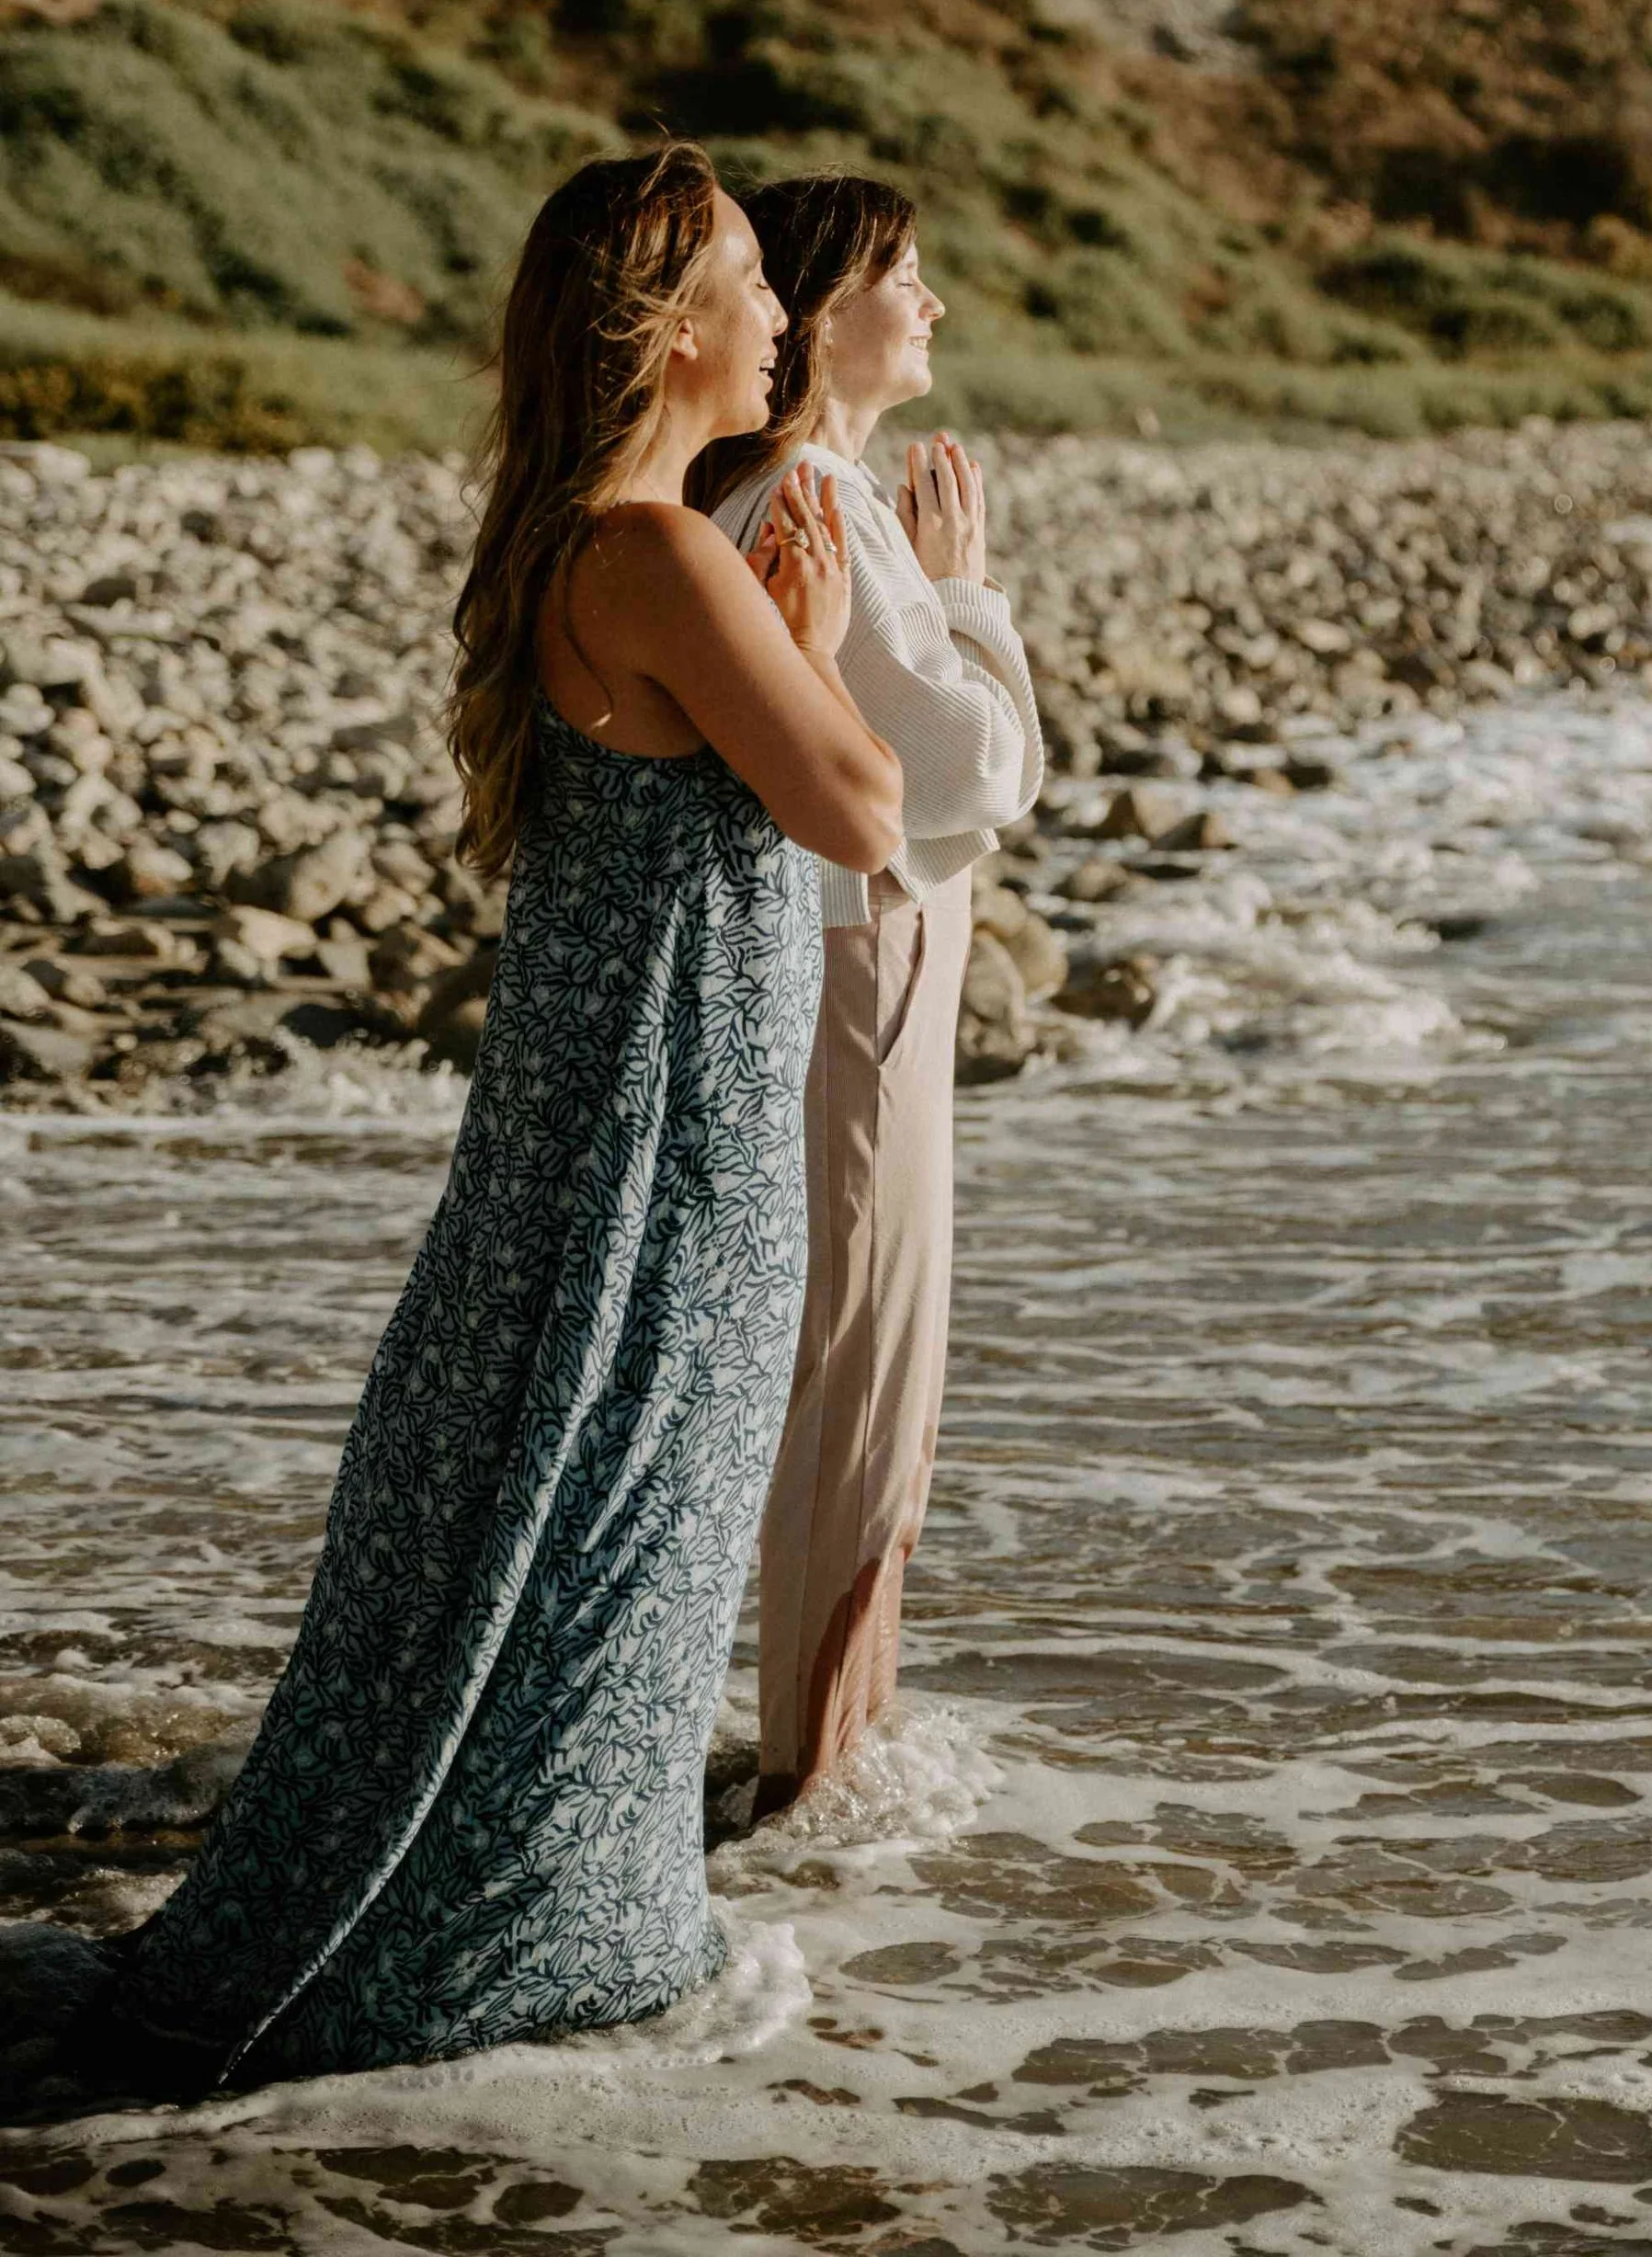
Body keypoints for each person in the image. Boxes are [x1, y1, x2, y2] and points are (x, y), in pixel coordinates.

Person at [97, 144, 902, 2093]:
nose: (783, 311)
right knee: (627, 1504)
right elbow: (863, 812)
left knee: (555, 1497)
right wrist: (811, 642)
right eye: (746, 279)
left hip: (596, 1111)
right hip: (662, 1130)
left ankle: (515, 1901)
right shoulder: (657, 551)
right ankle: (530, 1941)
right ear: (672, 327)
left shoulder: (596, 537)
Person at [698, 175, 1042, 1813]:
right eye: (908, 274)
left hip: (866, 950)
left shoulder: (799, 489)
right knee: (867, 1356)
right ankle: (813, 1776)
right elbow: (977, 763)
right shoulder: (815, 495)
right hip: (867, 955)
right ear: (824, 311)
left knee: (863, 1352)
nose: (936, 303)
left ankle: (830, 1740)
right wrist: (967, 594)